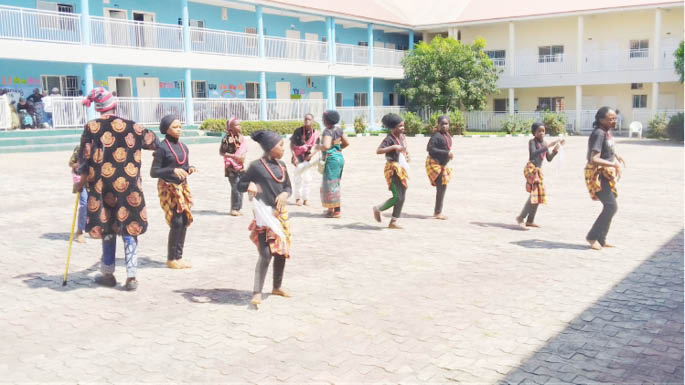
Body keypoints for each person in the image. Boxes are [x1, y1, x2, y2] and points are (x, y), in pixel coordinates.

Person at [73, 87, 159, 291]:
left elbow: (84, 159)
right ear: (115, 105)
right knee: (130, 228)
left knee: (108, 228)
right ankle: (131, 277)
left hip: (102, 187)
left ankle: (108, 273)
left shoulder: (92, 127)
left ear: (98, 108)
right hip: (129, 187)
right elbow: (155, 143)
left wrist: (80, 182)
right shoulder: (135, 127)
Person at [238, 130, 292, 308]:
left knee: (281, 253)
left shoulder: (282, 166)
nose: (284, 148)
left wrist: (284, 194)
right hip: (263, 216)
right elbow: (240, 185)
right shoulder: (256, 166)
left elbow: (288, 187)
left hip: (280, 216)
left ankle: (277, 286)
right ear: (270, 148)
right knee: (265, 254)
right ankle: (257, 292)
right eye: (281, 145)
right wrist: (250, 184)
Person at [151, 115, 197, 269]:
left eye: (180, 127)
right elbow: (154, 172)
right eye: (175, 127)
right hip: (167, 187)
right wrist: (172, 170)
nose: (179, 130)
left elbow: (183, 167)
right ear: (166, 129)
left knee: (184, 220)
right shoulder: (162, 148)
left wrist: (189, 169)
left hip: (182, 187)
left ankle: (179, 257)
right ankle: (171, 258)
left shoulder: (184, 148)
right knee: (176, 222)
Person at [585, 107, 625, 250]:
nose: (614, 121)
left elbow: (607, 150)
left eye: (615, 118)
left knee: (611, 206)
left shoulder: (606, 132)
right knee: (611, 206)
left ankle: (601, 239)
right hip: (598, 175)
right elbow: (594, 158)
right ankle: (592, 237)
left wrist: (616, 156)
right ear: (601, 120)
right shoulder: (599, 134)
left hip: (606, 173)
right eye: (611, 119)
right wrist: (613, 164)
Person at [515, 122, 565, 229]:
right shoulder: (532, 142)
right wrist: (548, 146)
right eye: (539, 131)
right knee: (534, 193)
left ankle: (530, 220)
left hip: (538, 171)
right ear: (534, 133)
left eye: (543, 131)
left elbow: (549, 159)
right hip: (531, 169)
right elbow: (533, 154)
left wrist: (555, 150)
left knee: (538, 195)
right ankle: (521, 217)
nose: (541, 133)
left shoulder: (545, 143)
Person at [373, 113, 409, 229]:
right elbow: (378, 150)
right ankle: (378, 208)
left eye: (403, 125)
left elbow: (404, 149)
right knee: (397, 196)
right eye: (400, 126)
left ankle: (393, 221)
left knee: (402, 196)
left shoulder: (402, 137)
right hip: (392, 169)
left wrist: (407, 155)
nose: (402, 128)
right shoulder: (389, 139)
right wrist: (393, 147)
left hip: (401, 168)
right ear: (393, 127)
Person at [318, 110, 349, 218]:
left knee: (330, 184)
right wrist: (338, 149)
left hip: (331, 160)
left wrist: (318, 147)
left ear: (326, 120)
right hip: (339, 159)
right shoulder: (339, 130)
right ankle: (331, 208)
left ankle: (336, 210)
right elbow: (347, 142)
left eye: (323, 118)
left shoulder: (327, 131)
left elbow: (326, 146)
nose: (322, 120)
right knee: (334, 183)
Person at [425, 115, 453, 220]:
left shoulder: (447, 135)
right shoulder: (436, 136)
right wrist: (446, 153)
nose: (444, 126)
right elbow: (430, 149)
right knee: (441, 187)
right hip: (434, 164)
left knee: (442, 187)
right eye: (442, 124)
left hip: (442, 165)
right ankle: (437, 212)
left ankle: (438, 211)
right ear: (438, 125)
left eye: (446, 124)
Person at [290, 113, 320, 206]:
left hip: (307, 159)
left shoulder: (315, 133)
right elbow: (291, 145)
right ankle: (298, 198)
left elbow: (318, 146)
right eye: (306, 119)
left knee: (307, 179)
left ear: (313, 121)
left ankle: (306, 199)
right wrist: (294, 156)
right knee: (297, 179)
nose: (307, 121)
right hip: (298, 159)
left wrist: (311, 155)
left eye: (309, 119)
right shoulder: (298, 131)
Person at [219, 117, 248, 216]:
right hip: (231, 166)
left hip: (240, 165)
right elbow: (222, 152)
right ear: (230, 127)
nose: (239, 126)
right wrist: (234, 156)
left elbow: (244, 150)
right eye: (236, 125)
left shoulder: (241, 137)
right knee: (235, 187)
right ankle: (234, 209)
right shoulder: (226, 138)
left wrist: (242, 157)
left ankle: (239, 208)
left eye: (240, 124)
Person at [69, 145, 88, 244]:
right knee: (84, 204)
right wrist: (80, 165)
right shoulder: (79, 148)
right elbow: (71, 163)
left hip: (95, 181)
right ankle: (80, 231)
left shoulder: (99, 148)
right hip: (82, 181)